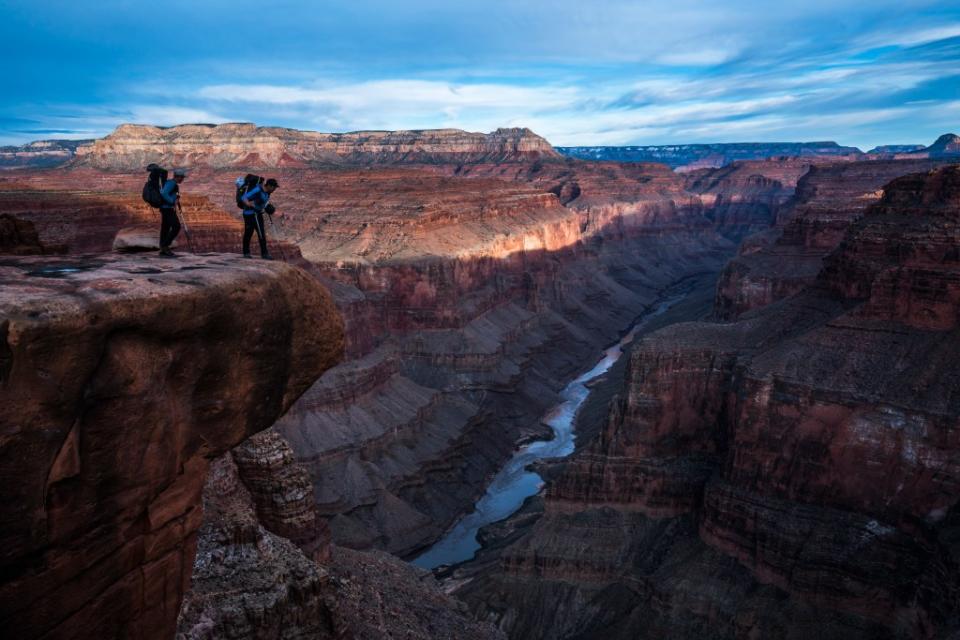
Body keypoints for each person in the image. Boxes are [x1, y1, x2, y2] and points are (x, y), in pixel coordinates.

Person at [241, 177, 278, 259]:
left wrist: (268, 207)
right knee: (249, 233)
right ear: (269, 186)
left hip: (258, 213)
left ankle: (264, 254)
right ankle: (246, 252)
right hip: (249, 214)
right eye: (274, 188)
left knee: (261, 232)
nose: (274, 190)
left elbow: (263, 202)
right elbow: (244, 198)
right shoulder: (257, 189)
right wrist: (249, 204)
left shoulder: (268, 193)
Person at [159, 169, 186, 257]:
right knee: (176, 226)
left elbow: (170, 194)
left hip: (166, 208)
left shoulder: (173, 184)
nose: (182, 179)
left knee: (165, 228)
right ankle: (165, 246)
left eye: (183, 177)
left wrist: (176, 200)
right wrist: (171, 201)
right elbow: (163, 193)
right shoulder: (171, 183)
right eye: (181, 177)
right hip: (167, 208)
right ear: (177, 177)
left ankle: (163, 248)